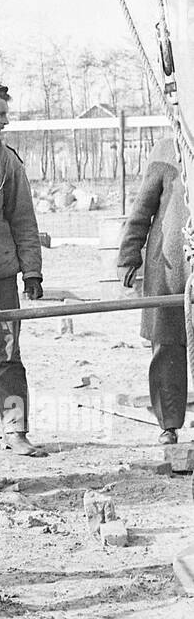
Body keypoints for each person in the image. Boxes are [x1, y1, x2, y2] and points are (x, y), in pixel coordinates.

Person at [0, 84, 48, 457]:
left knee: (8, 356)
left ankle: (15, 430)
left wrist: (32, 273)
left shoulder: (7, 161)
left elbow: (23, 219)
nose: (5, 123)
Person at [117, 137, 189, 445]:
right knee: (167, 348)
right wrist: (128, 255)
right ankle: (168, 425)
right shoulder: (166, 149)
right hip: (170, 270)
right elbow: (142, 209)